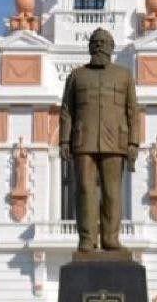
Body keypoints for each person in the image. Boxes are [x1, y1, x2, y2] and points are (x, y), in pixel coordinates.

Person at [59, 28, 139, 253]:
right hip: (83, 141)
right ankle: (87, 238)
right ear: (89, 46)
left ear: (112, 48)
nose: (100, 45)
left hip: (116, 142)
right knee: (84, 189)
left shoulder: (124, 75)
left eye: (104, 42)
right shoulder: (77, 75)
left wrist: (133, 142)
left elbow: (133, 111)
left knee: (112, 191)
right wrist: (64, 141)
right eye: (96, 41)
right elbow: (67, 111)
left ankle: (111, 239)